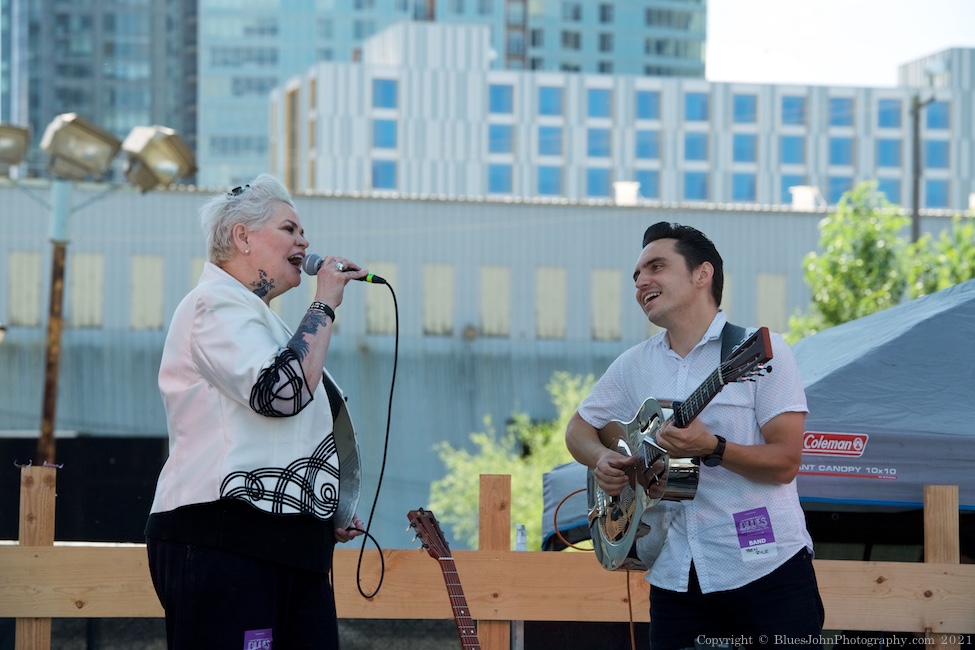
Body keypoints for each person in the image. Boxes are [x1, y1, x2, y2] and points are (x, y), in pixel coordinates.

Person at [565, 222, 824, 649]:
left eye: (656, 267)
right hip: (675, 574)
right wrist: (600, 459)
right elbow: (579, 429)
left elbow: (785, 463)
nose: (641, 281)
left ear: (702, 274)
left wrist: (714, 447)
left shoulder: (763, 351)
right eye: (636, 275)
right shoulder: (633, 364)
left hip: (766, 569)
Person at [146, 174, 366, 649]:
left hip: (288, 548)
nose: (304, 241)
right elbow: (279, 394)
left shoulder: (261, 321)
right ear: (242, 237)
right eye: (289, 229)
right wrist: (325, 303)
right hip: (224, 540)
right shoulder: (213, 305)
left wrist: (321, 507)